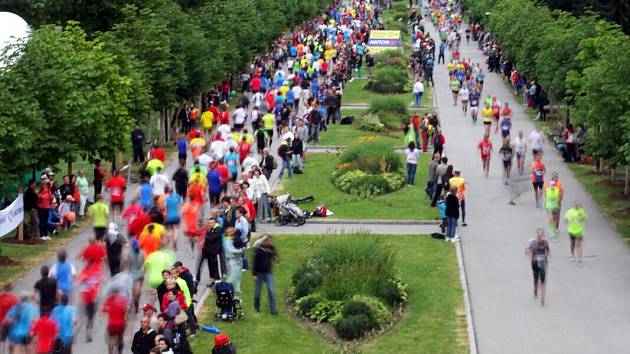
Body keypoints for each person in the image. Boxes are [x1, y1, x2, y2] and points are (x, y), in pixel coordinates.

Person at [253, 234, 278, 314]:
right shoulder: (258, 249)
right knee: (257, 292)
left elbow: (275, 256)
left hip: (268, 272)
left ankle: (273, 310)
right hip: (259, 273)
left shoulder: (271, 248)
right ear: (264, 240)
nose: (270, 242)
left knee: (271, 291)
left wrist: (275, 257)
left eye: (270, 240)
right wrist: (254, 274)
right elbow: (255, 262)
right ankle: (256, 307)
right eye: (268, 240)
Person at [525, 228, 550, 306]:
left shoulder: (545, 242)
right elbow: (526, 252)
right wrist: (530, 255)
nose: (540, 236)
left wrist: (546, 254)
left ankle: (543, 299)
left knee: (542, 281)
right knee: (536, 279)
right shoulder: (531, 242)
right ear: (536, 234)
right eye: (538, 234)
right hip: (535, 263)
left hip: (542, 263)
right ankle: (535, 290)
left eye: (541, 235)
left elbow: (548, 251)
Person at [102, 290, 128, 354]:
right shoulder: (122, 300)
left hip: (111, 325)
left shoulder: (108, 300)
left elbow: (104, 310)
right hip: (120, 324)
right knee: (120, 339)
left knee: (111, 339)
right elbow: (126, 314)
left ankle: (110, 352)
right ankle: (119, 352)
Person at [197, 218, 222, 285]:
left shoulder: (217, 230)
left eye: (211, 223)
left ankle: (217, 279)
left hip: (214, 251)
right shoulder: (211, 229)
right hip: (209, 251)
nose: (210, 224)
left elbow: (211, 238)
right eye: (209, 223)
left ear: (215, 223)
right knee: (210, 265)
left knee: (214, 265)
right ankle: (212, 278)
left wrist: (205, 236)